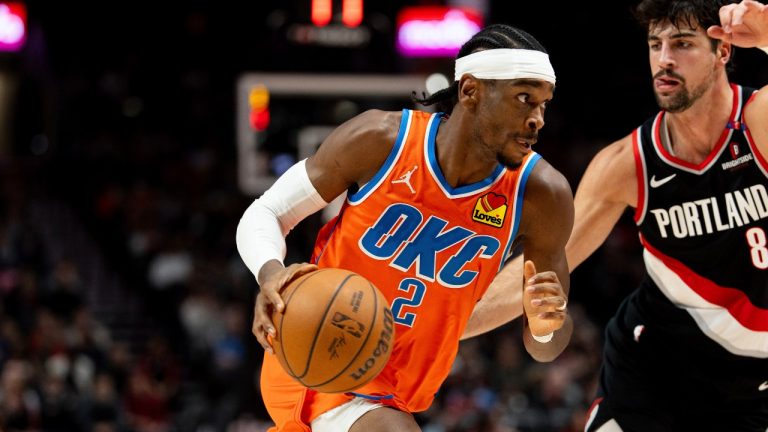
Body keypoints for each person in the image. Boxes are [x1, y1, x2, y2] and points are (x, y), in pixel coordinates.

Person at [236, 24, 574, 432]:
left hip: (397, 392)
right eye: (524, 99)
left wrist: (544, 328)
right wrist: (271, 274)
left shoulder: (543, 195)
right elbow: (267, 211)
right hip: (319, 347)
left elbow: (548, 347)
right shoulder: (381, 140)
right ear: (470, 91)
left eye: (544, 104)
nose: (537, 119)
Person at [467, 1, 768, 430]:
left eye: (682, 44)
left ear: (722, 52)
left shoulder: (757, 122)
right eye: (655, 44)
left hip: (751, 387)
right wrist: (436, 328)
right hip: (653, 377)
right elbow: (541, 270)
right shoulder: (627, 164)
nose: (664, 59)